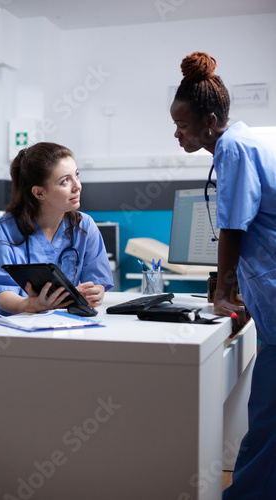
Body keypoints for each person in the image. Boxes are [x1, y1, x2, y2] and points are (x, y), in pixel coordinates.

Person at [170, 51, 276, 499]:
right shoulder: (246, 140)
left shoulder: (233, 146)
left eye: (183, 126)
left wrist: (222, 296)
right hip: (266, 290)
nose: (177, 133)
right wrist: (227, 287)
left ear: (210, 120)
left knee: (268, 415)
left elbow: (233, 227)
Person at [0, 142, 114, 324]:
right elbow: (1, 292)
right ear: (39, 193)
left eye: (77, 175)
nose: (77, 186)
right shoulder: (7, 228)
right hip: (7, 322)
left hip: (58, 322)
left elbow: (97, 281)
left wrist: (96, 292)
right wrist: (28, 305)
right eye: (65, 181)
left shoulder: (84, 226)